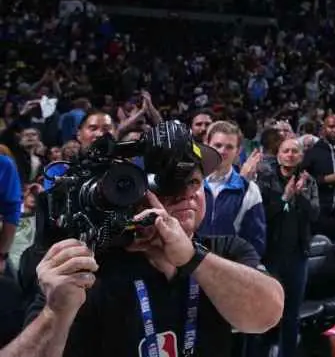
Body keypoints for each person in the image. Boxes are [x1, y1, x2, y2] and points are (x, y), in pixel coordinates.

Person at [3, 121, 284, 357]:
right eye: (169, 181)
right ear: (128, 188)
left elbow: (267, 315)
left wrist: (192, 257)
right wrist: (55, 313)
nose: (186, 193)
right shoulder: (90, 267)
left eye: (194, 182)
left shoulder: (225, 250)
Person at [255, 136, 319, 357]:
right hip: (270, 255)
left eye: (295, 151)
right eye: (286, 151)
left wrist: (299, 196)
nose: (290, 155)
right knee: (267, 313)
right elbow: (262, 216)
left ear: (301, 156)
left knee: (292, 315)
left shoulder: (308, 181)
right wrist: (285, 197)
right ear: (278, 155)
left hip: (297, 256)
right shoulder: (265, 180)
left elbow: (314, 214)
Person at [199, 121, 268, 256]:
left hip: (229, 265)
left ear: (238, 151)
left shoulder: (249, 190)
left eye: (229, 147)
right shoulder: (192, 184)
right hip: (193, 264)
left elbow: (256, 242)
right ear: (207, 145)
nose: (222, 151)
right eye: (217, 145)